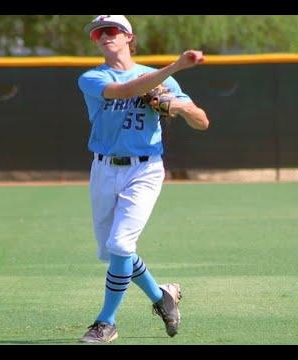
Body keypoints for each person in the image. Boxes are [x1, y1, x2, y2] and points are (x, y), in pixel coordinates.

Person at [77, 15, 209, 344]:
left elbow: (202, 121)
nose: (105, 35)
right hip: (104, 169)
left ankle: (106, 323)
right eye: (99, 33)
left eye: (112, 30)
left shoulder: (156, 78)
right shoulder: (92, 78)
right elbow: (125, 90)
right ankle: (162, 296)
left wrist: (176, 105)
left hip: (144, 168)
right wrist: (174, 67)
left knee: (121, 245)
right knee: (114, 252)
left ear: (128, 37)